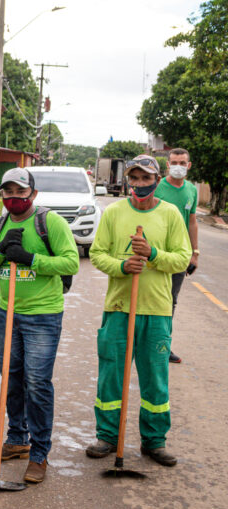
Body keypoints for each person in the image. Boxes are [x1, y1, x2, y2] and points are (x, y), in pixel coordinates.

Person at [0, 168, 79, 483]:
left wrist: (30, 258)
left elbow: (71, 262)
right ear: (1, 195)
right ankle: (17, 439)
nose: (14, 198)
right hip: (7, 313)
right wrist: (1, 249)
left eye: (20, 192)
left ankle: (39, 454)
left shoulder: (51, 223)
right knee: (12, 379)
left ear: (32, 194)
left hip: (43, 315)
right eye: (7, 192)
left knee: (38, 383)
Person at [86, 155, 190, 467]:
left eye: (146, 179)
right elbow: (97, 253)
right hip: (119, 308)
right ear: (128, 180)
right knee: (111, 378)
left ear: (156, 180)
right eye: (135, 178)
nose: (140, 184)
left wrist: (153, 253)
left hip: (156, 311)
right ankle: (107, 436)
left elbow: (182, 259)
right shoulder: (114, 212)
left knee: (156, 379)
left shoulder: (170, 214)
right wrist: (122, 266)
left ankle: (154, 442)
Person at [154, 148, 199, 364]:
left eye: (182, 162)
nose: (178, 166)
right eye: (174, 162)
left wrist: (194, 253)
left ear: (189, 165)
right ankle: (140, 343)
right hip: (155, 254)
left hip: (179, 256)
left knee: (170, 301)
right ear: (168, 165)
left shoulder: (191, 190)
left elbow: (192, 222)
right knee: (151, 298)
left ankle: (163, 346)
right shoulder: (157, 187)